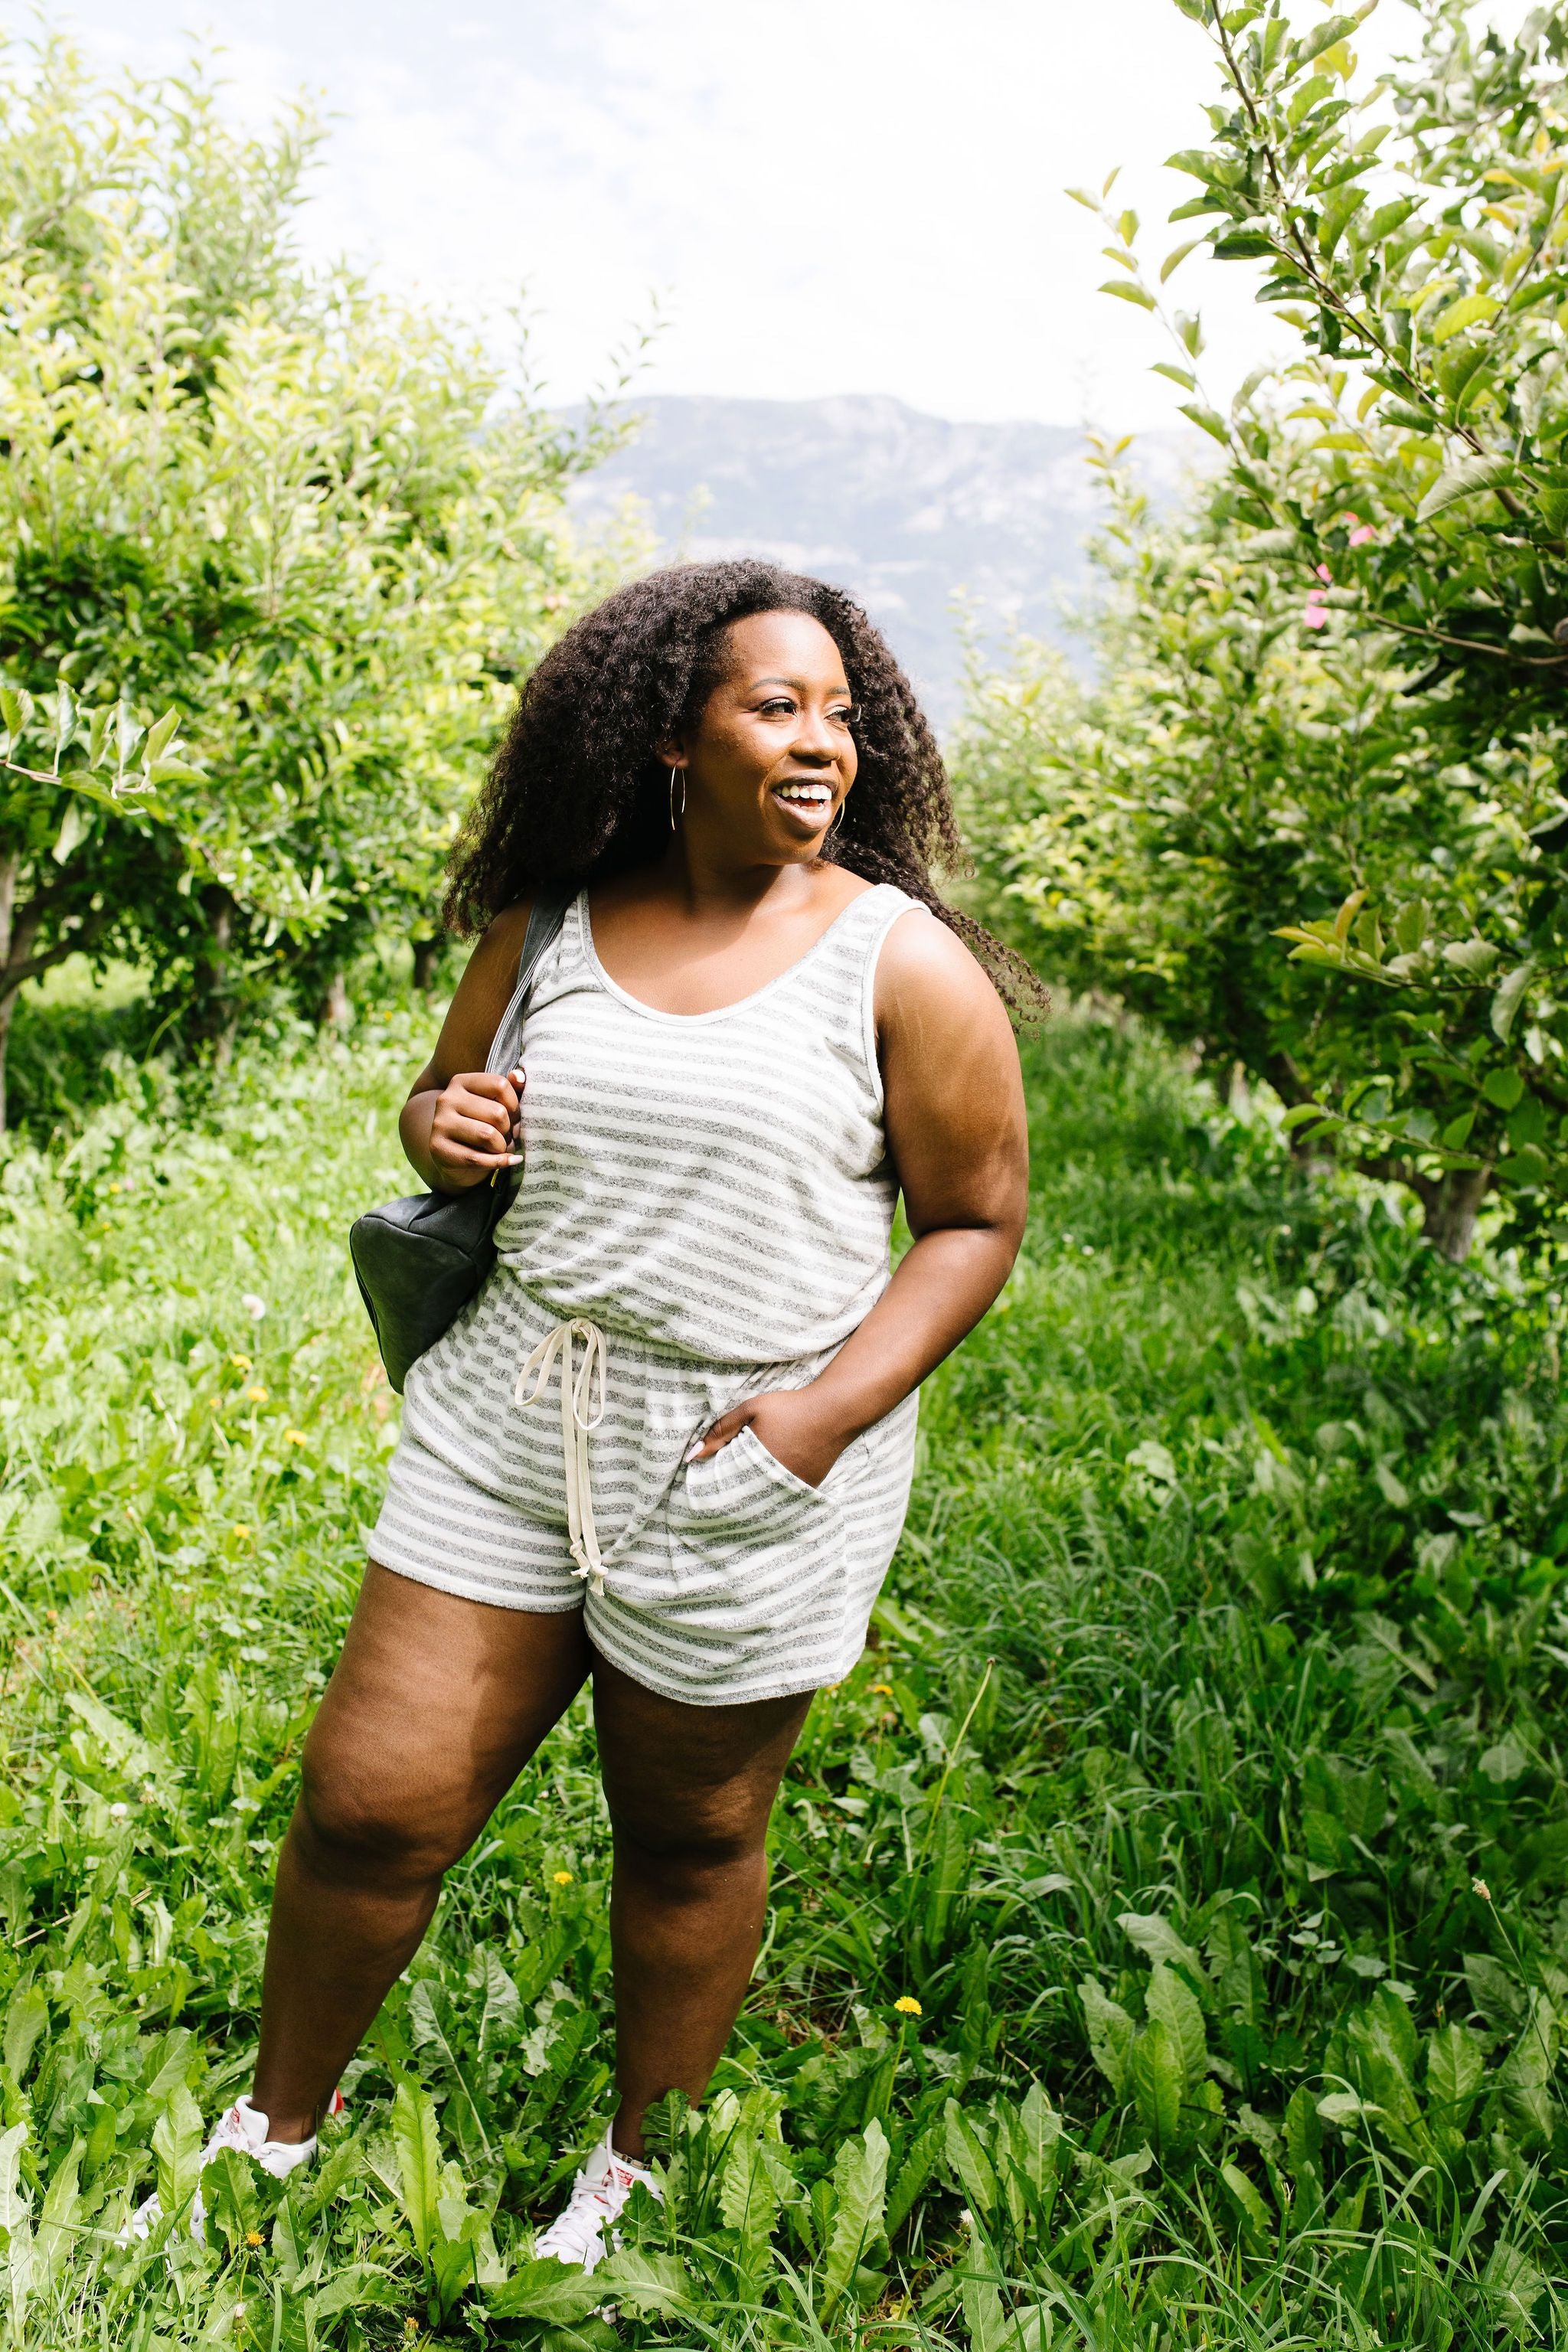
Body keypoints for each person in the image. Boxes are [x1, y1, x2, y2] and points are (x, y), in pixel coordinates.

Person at [129, 560, 1032, 2265]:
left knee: (689, 1834)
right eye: (778, 705)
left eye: (842, 711)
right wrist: (439, 1126)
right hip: (517, 1402)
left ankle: (634, 2172)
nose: (821, 740)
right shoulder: (547, 924)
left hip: (748, 1448)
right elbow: (442, 1102)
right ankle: (276, 2128)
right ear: (672, 736)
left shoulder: (901, 969)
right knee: (369, 1799)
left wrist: (816, 1421)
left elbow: (975, 1221)